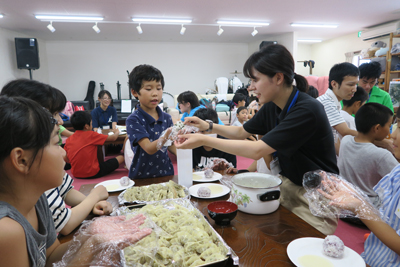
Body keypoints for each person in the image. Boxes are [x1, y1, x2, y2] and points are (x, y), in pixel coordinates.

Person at [175, 44, 338, 235]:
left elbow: (257, 150)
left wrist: (205, 140)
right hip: (287, 185)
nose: (250, 87)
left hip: (316, 197)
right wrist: (208, 127)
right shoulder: (272, 106)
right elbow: (241, 132)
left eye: (255, 80)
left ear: (278, 77)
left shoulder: (306, 109)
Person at [0, 96, 152, 266]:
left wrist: (90, 236)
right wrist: (92, 245)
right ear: (21, 160)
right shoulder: (6, 230)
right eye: (56, 144)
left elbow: (51, 256)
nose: (64, 153)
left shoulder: (38, 200)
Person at [0, 79, 112, 235]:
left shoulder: (43, 171)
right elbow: (64, 225)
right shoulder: (33, 186)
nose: (60, 121)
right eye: (53, 114)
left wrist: (90, 203)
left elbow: (66, 190)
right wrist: (93, 197)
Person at [320, 111, 400, 266]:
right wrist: (358, 204)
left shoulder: (348, 140)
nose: (393, 135)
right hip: (371, 257)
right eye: (393, 126)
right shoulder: (394, 167)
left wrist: (359, 207)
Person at [338, 102, 397, 207]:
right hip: (368, 208)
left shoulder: (346, 141)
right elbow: (398, 178)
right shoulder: (381, 155)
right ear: (377, 128)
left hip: (343, 202)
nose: (391, 133)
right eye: (389, 125)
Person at [126, 64, 176, 179]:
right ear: (134, 92)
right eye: (148, 89)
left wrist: (186, 155)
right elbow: (148, 148)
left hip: (166, 172)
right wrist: (167, 135)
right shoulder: (134, 120)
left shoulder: (167, 118)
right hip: (142, 176)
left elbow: (171, 145)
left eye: (159, 88)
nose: (155, 93)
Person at [65, 111, 124, 178]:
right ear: (86, 126)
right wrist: (117, 132)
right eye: (91, 123)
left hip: (76, 174)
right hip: (93, 172)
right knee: (121, 157)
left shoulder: (69, 139)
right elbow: (113, 138)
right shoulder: (91, 135)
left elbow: (67, 158)